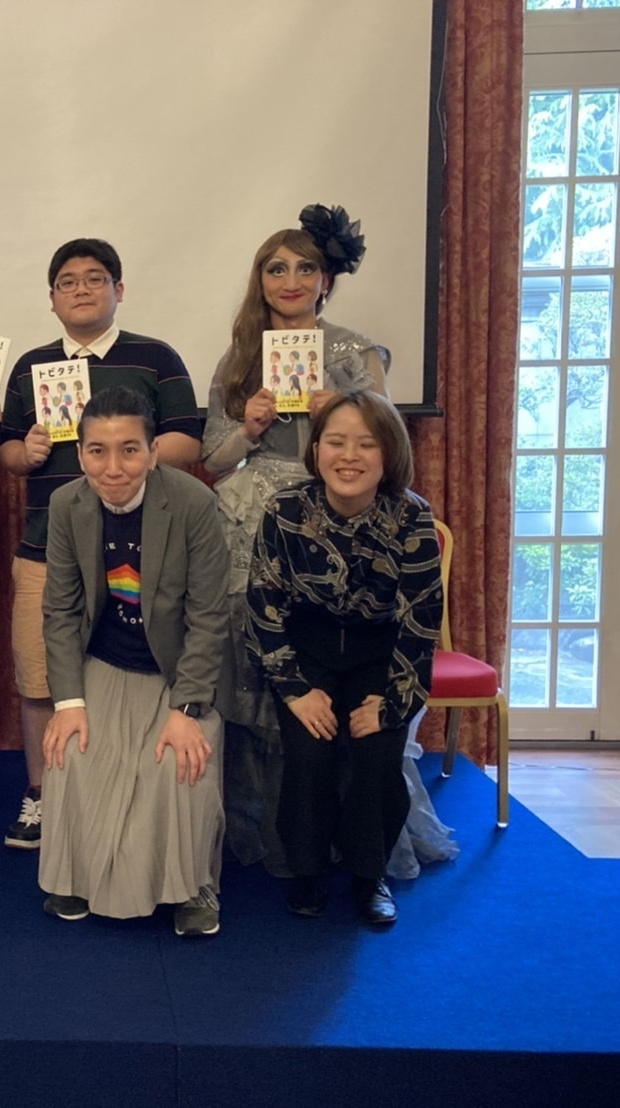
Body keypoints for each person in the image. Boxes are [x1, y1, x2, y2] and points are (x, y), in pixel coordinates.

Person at [202, 203, 456, 879]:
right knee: (258, 662)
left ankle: (359, 841)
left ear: (325, 280)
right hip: (253, 520)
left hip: (344, 511)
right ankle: (278, 834)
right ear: (260, 280)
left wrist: (335, 412)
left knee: (350, 663)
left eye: (303, 268)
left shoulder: (354, 350)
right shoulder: (239, 356)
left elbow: (385, 441)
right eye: (275, 268)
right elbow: (213, 459)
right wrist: (249, 428)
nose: (289, 280)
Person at [0, 238, 201, 850]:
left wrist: (124, 451)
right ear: (52, 298)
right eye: (67, 281)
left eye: (94, 278)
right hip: (48, 546)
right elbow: (7, 452)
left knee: (129, 669)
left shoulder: (156, 357)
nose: (81, 289)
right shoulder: (31, 365)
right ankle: (42, 794)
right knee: (40, 676)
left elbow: (189, 442)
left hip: (143, 550)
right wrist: (27, 450)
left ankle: (116, 789)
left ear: (119, 289)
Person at [246, 389, 443, 925]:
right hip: (305, 649)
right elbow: (263, 605)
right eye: (336, 442)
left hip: (379, 653)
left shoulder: (411, 516)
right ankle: (307, 871)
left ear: (389, 453)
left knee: (376, 753)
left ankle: (368, 873)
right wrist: (295, 690)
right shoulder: (285, 509)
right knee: (309, 753)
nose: (349, 456)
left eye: (366, 444)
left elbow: (422, 620)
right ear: (317, 450)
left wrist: (391, 703)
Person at [37, 388, 227, 936]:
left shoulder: (192, 503)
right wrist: (68, 703)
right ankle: (76, 876)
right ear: (80, 454)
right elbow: (60, 611)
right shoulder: (67, 505)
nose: (113, 468)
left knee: (178, 761)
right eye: (98, 451)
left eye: (129, 450)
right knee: (71, 749)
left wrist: (186, 709)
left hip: (176, 669)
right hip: (105, 661)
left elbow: (209, 616)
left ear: (152, 452)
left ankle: (194, 886)